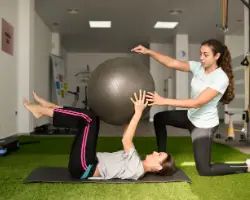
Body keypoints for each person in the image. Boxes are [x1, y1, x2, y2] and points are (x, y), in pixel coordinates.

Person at [132, 39, 250, 176]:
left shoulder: (221, 78)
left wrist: (163, 100)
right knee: (159, 118)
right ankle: (162, 156)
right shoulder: (198, 67)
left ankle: (246, 166)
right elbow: (171, 63)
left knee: (204, 170)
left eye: (206, 55)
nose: (201, 58)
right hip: (190, 116)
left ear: (216, 56)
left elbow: (197, 102)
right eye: (200, 54)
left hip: (204, 125)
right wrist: (148, 52)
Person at [23, 90, 176, 180]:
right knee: (92, 118)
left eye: (159, 155)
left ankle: (43, 111)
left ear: (157, 167)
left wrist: (138, 113)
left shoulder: (137, 168)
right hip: (86, 162)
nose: (155, 152)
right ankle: (52, 107)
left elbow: (126, 139)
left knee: (88, 119)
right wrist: (126, 115)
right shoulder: (136, 162)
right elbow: (126, 133)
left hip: (84, 167)